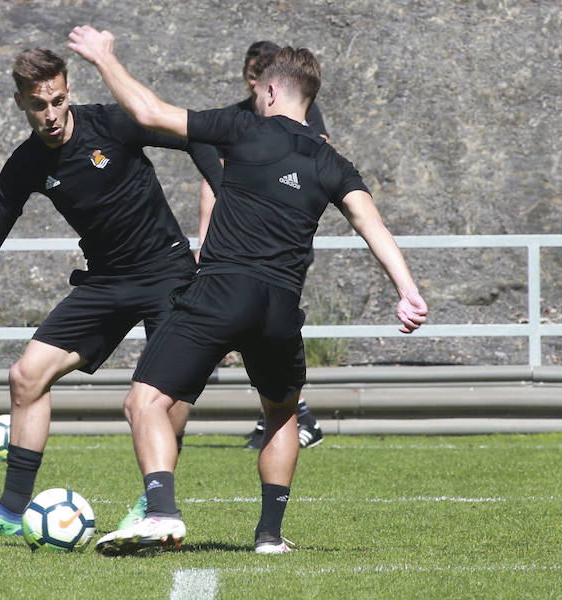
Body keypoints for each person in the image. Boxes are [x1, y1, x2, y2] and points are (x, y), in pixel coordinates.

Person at [68, 25, 428, 554]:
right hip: (280, 308)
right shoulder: (332, 162)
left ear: (272, 92)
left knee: (144, 401)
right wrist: (407, 289)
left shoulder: (241, 127)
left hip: (221, 292)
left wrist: (102, 57)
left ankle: (161, 513)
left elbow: (148, 112)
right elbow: (373, 226)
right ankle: (269, 536)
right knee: (282, 412)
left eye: (260, 93)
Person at [0, 47, 220, 537]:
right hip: (105, 281)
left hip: (167, 272)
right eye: (39, 105)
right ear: (20, 102)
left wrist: (223, 211)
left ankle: (154, 503)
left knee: (164, 393)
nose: (51, 114)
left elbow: (196, 137)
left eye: (58, 101)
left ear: (68, 91)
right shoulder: (25, 165)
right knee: (26, 376)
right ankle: (11, 512)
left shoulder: (114, 124)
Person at [201, 41, 328, 450]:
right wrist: (205, 239)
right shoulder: (236, 119)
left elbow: (317, 154)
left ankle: (292, 414)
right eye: (251, 78)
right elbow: (211, 177)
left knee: (265, 330)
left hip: (281, 248)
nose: (258, 87)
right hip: (235, 249)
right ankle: (284, 415)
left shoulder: (299, 113)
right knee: (251, 331)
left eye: (263, 78)